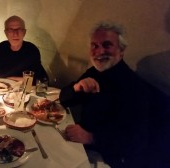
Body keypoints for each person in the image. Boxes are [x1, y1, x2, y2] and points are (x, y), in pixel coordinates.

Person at [59, 22, 170, 167]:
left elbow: (136, 142)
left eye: (107, 45)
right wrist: (76, 88)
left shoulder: (134, 88)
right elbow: (64, 99)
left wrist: (91, 137)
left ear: (121, 50)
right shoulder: (94, 72)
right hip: (80, 143)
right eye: (95, 46)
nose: (99, 51)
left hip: (108, 157)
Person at [0, 15, 48, 83]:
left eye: (19, 29)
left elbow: (40, 79)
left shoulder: (31, 51)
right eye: (11, 30)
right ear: (6, 33)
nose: (15, 34)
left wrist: (12, 79)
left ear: (24, 32)